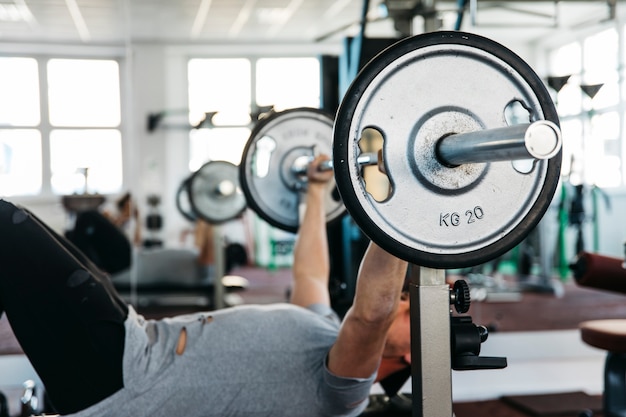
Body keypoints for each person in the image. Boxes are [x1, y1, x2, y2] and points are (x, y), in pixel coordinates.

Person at [0, 155, 411, 417]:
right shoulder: (325, 333)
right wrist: (316, 193)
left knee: (5, 227)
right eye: (406, 300)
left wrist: (405, 210)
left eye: (409, 311)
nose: (403, 303)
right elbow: (309, 274)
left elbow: (373, 313)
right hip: (130, 345)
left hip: (124, 380)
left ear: (413, 354)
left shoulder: (346, 394)